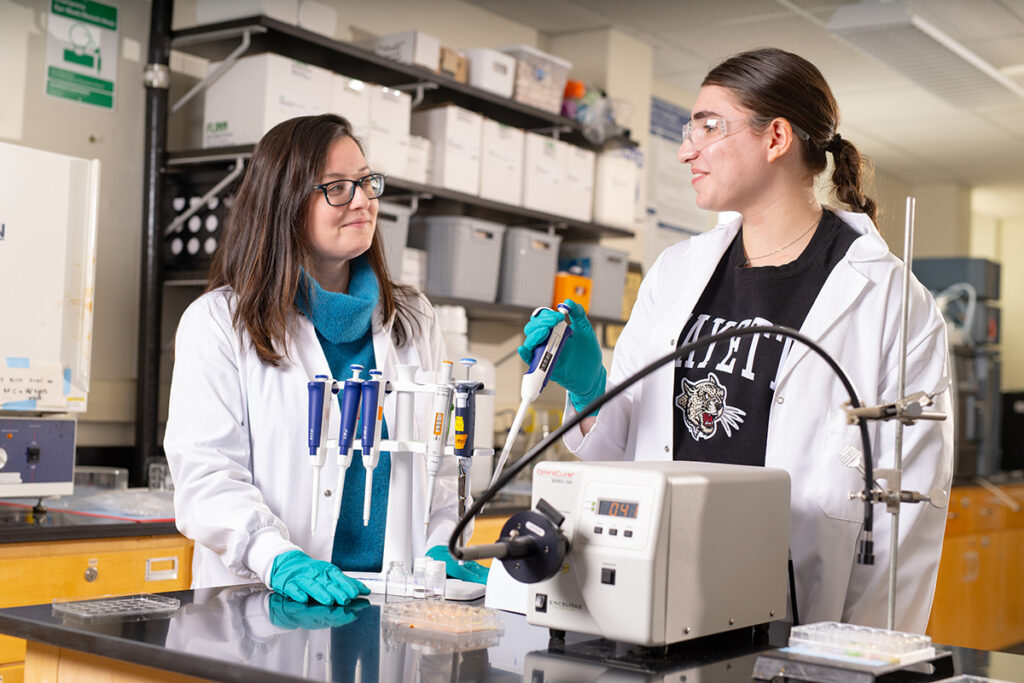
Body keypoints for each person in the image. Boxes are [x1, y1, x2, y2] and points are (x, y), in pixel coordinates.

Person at [520, 48, 953, 632]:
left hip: (800, 620)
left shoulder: (892, 301)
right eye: (687, 128)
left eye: (708, 126)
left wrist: (861, 658)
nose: (685, 149)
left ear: (776, 137)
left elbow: (908, 523)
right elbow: (621, 453)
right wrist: (590, 387)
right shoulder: (676, 273)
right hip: (662, 600)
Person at [165, 114, 486, 606]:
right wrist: (277, 556)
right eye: (336, 187)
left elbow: (437, 467)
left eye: (365, 182)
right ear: (284, 204)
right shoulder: (219, 323)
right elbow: (207, 477)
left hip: (390, 604)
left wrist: (441, 542)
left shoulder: (413, 319)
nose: (362, 200)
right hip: (267, 603)